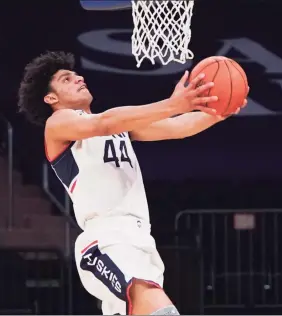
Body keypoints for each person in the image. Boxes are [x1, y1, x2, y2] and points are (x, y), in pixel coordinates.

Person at [18, 51, 247, 315]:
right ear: (51, 98)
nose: (78, 78)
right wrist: (173, 104)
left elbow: (178, 127)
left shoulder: (119, 126)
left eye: (76, 74)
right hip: (105, 240)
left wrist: (223, 109)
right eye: (67, 79)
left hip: (139, 239)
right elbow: (104, 122)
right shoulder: (58, 123)